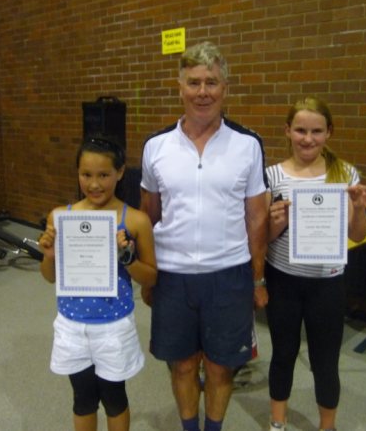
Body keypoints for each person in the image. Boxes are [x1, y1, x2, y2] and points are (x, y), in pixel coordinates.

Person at [140, 41, 269, 431]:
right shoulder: (156, 147)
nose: (202, 92)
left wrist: (258, 279)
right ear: (179, 87)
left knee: (220, 367)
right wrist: (148, 273)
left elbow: (257, 218)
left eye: (211, 82)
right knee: (180, 364)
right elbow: (149, 215)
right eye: (193, 82)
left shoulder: (247, 145)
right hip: (173, 275)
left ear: (225, 88)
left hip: (228, 274)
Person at [265, 96, 366, 431]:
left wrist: (359, 206)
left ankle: (328, 425)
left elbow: (357, 235)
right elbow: (262, 239)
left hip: (328, 282)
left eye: (316, 131)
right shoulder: (272, 176)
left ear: (329, 133)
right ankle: (278, 422)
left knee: (325, 359)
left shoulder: (345, 174)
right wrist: (276, 222)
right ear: (287, 131)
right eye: (300, 130)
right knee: (283, 353)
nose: (307, 138)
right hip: (283, 278)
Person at [39, 138, 157, 431]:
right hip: (71, 325)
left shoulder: (136, 221)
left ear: (120, 173)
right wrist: (50, 255)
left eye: (103, 175)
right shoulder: (60, 217)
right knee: (83, 398)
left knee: (114, 397)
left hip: (113, 326)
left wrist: (127, 258)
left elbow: (151, 277)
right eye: (86, 175)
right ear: (77, 173)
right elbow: (50, 276)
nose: (94, 184)